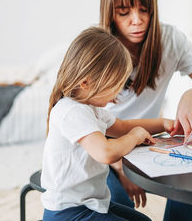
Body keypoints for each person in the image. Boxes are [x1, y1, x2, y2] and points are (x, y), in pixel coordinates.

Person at [41, 27, 176, 221]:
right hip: (68, 213)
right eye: (115, 84)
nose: (118, 91)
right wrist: (135, 136)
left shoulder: (90, 109)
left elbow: (123, 126)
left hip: (90, 204)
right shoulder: (70, 111)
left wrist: (163, 124)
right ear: (85, 83)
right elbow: (105, 152)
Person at [99, 0, 192, 220]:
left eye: (144, 9)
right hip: (99, 146)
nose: (137, 20)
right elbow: (86, 123)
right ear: (110, 13)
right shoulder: (98, 50)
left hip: (146, 139)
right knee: (119, 206)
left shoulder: (171, 40)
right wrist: (120, 167)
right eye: (124, 13)